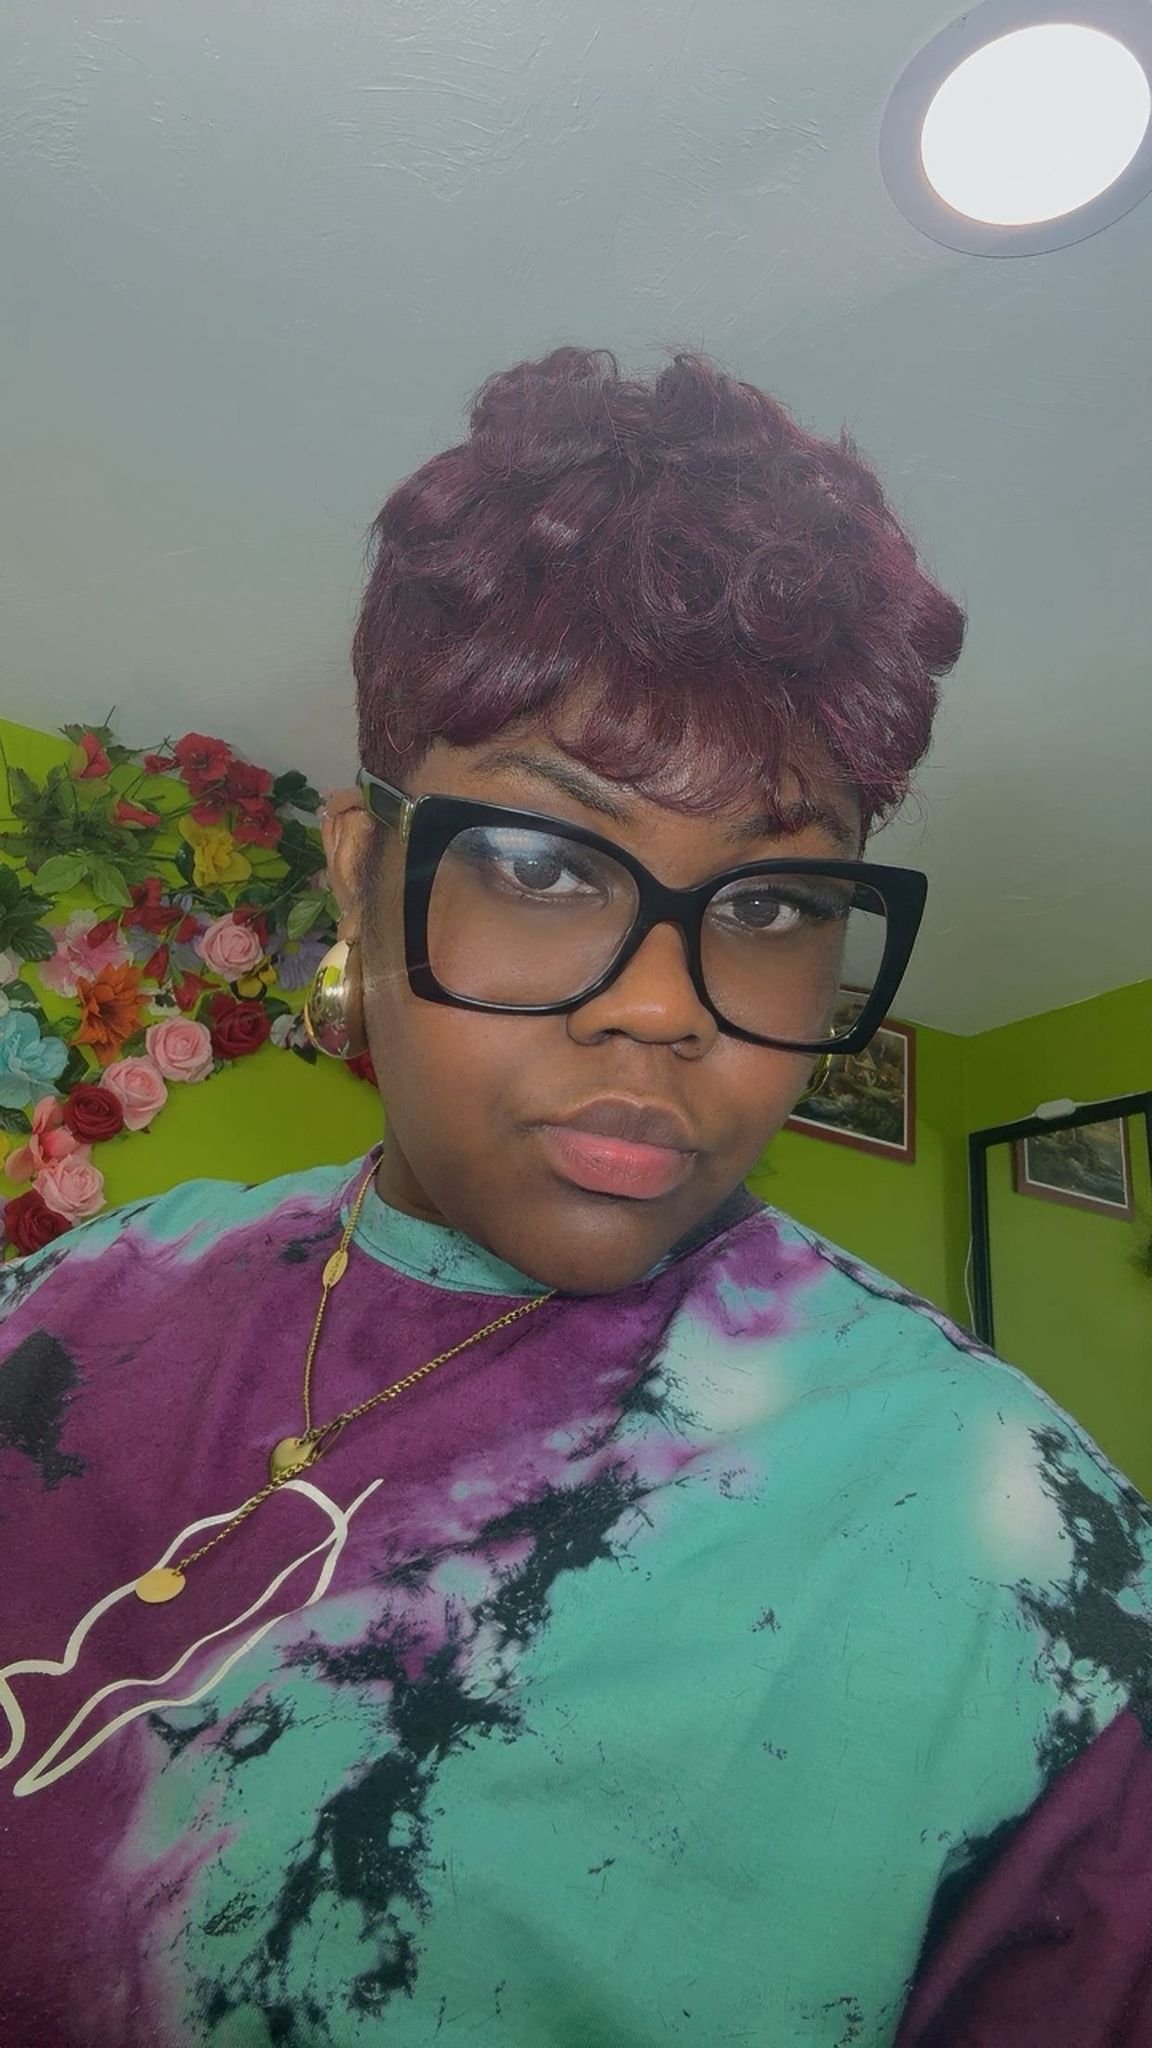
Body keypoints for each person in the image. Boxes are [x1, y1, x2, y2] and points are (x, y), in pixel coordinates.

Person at [1, 347, 1149, 2048]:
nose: (668, 1007)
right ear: (363, 874)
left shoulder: (1012, 1553)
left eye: (773, 904)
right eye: (543, 863)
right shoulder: (83, 1292)